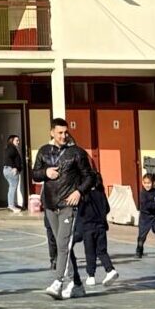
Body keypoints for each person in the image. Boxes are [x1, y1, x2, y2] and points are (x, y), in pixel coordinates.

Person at [32, 118, 93, 299]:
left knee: (63, 244)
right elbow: (34, 173)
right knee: (62, 245)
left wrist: (79, 192)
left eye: (65, 132)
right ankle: (77, 285)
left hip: (68, 206)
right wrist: (45, 173)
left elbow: (90, 177)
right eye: (59, 132)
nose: (63, 135)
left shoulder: (77, 153)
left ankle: (58, 281)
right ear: (52, 132)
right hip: (50, 205)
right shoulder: (43, 152)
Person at [77, 170, 118, 286]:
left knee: (90, 253)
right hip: (101, 226)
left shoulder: (84, 194)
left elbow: (80, 210)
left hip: (88, 227)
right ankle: (110, 270)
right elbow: (107, 208)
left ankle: (91, 276)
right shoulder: (101, 192)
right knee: (102, 251)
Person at [135, 171, 155, 261]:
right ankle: (139, 250)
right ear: (142, 183)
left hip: (154, 217)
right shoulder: (143, 193)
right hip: (144, 217)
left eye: (149, 183)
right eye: (145, 183)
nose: (147, 185)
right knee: (142, 236)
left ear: (153, 183)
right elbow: (146, 205)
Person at [2, 135, 28, 213]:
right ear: (12, 141)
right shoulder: (11, 148)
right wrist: (15, 167)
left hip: (7, 170)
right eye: (17, 140)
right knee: (13, 187)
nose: (18, 142)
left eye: (18, 140)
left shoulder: (9, 148)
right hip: (11, 170)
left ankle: (11, 204)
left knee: (11, 188)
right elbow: (8, 158)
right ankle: (11, 206)